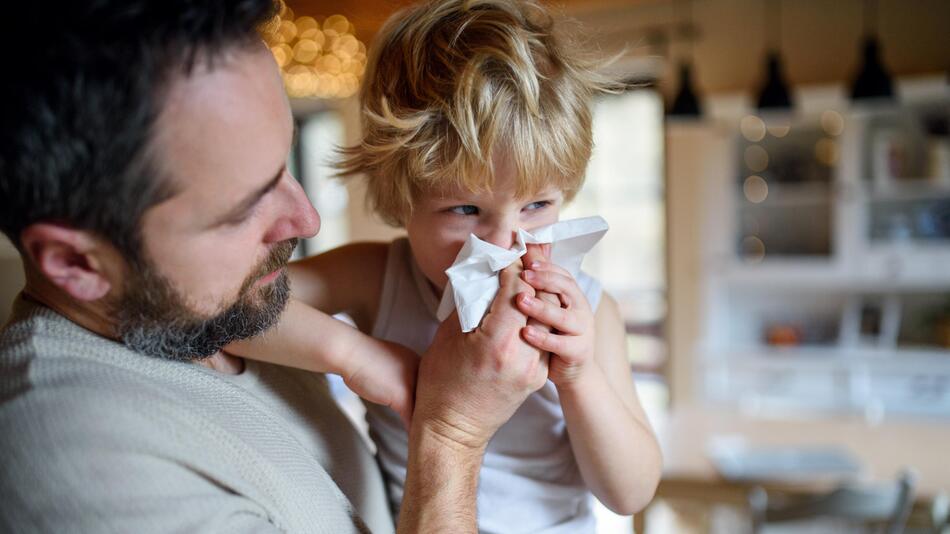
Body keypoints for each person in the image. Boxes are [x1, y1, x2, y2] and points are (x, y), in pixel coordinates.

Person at [0, 1, 549, 532]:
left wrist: (352, 352)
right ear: (76, 261)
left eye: (284, 165)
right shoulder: (76, 460)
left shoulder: (224, 309)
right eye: (242, 209)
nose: (307, 221)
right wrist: (452, 436)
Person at [228, 0, 662, 531]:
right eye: (465, 210)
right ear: (401, 200)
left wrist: (579, 376)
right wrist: (361, 356)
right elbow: (229, 308)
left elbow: (631, 493)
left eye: (537, 206)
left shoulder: (590, 310)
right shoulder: (379, 277)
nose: (507, 242)